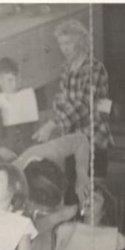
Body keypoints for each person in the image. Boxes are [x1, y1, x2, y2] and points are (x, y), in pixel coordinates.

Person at [33, 19, 112, 178]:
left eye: (68, 43)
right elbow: (59, 102)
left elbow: (83, 105)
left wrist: (52, 124)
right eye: (61, 44)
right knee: (72, 191)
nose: (64, 48)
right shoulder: (66, 68)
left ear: (80, 41)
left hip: (92, 140)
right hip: (71, 139)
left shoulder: (94, 68)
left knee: (92, 194)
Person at [0, 57, 38, 162]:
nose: (14, 85)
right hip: (5, 156)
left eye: (16, 79)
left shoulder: (24, 98)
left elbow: (32, 129)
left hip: (26, 151)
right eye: (10, 80)